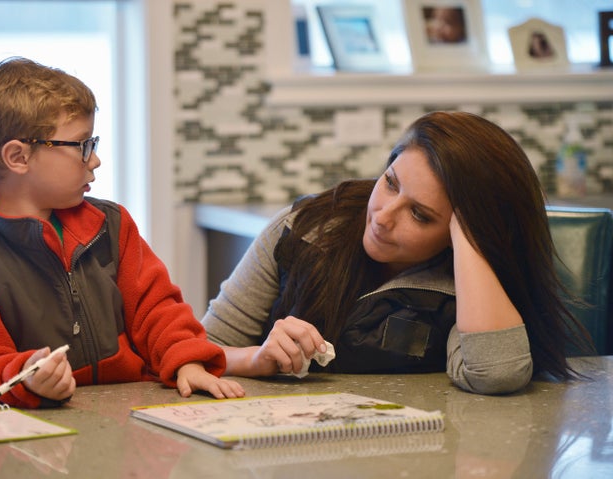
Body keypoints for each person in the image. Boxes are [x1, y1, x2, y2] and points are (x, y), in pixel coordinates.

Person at [0, 57, 244, 409]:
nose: (94, 160)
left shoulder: (112, 225)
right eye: (82, 146)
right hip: (35, 437)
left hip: (130, 421)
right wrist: (27, 376)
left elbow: (159, 310)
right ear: (18, 157)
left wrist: (186, 359)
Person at [202, 111, 594, 395]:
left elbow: (496, 373)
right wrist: (256, 360)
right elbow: (200, 351)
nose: (384, 217)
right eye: (390, 183)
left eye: (420, 215)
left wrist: (470, 237)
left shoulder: (465, 280)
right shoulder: (302, 228)